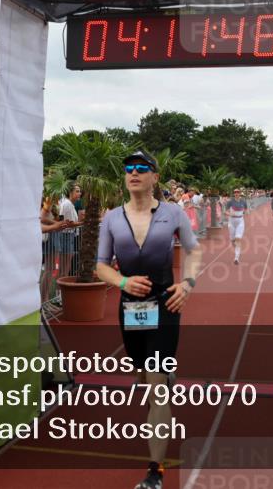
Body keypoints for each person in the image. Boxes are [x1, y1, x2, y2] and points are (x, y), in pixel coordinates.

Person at [95, 150, 201, 489]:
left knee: (157, 385)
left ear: (155, 176)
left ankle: (155, 471)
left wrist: (187, 283)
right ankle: (158, 391)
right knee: (142, 375)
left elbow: (194, 249)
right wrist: (123, 282)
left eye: (142, 168)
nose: (134, 173)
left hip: (165, 305)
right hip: (131, 308)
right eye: (129, 169)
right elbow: (100, 265)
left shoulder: (173, 214)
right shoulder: (112, 218)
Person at [57, 185, 83, 275]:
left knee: (65, 265)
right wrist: (84, 223)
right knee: (65, 265)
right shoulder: (67, 204)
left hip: (68, 235)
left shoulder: (69, 204)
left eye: (79, 191)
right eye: (77, 191)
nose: (80, 193)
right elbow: (70, 223)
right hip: (66, 235)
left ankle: (59, 288)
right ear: (70, 193)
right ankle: (60, 288)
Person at [225, 188, 249, 265]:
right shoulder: (230, 202)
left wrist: (245, 212)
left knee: (238, 239)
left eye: (238, 192)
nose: (236, 193)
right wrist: (229, 214)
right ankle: (235, 246)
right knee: (233, 240)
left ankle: (236, 258)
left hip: (240, 221)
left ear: (240, 193)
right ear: (234, 193)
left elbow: (246, 209)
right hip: (231, 221)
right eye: (235, 192)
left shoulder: (243, 201)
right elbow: (225, 211)